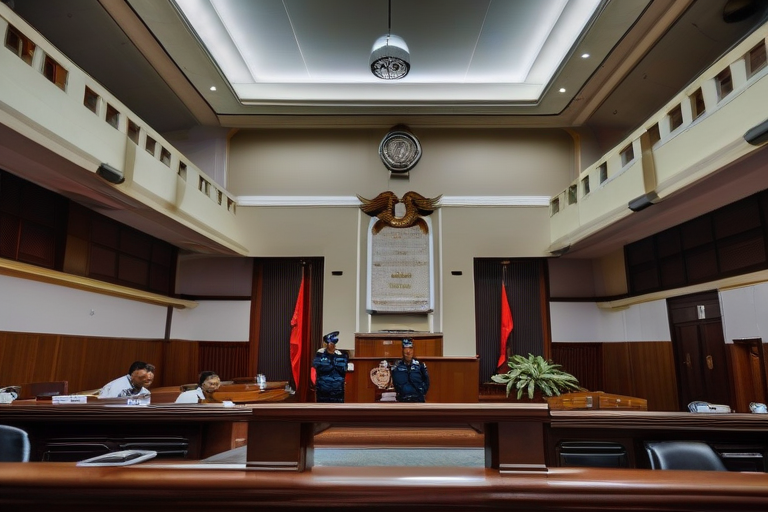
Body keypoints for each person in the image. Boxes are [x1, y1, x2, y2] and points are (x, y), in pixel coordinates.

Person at [313, 331, 348, 403]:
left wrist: (332, 356)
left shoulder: (341, 356)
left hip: (337, 389)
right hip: (323, 388)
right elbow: (320, 367)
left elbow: (343, 368)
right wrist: (329, 356)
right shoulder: (320, 355)